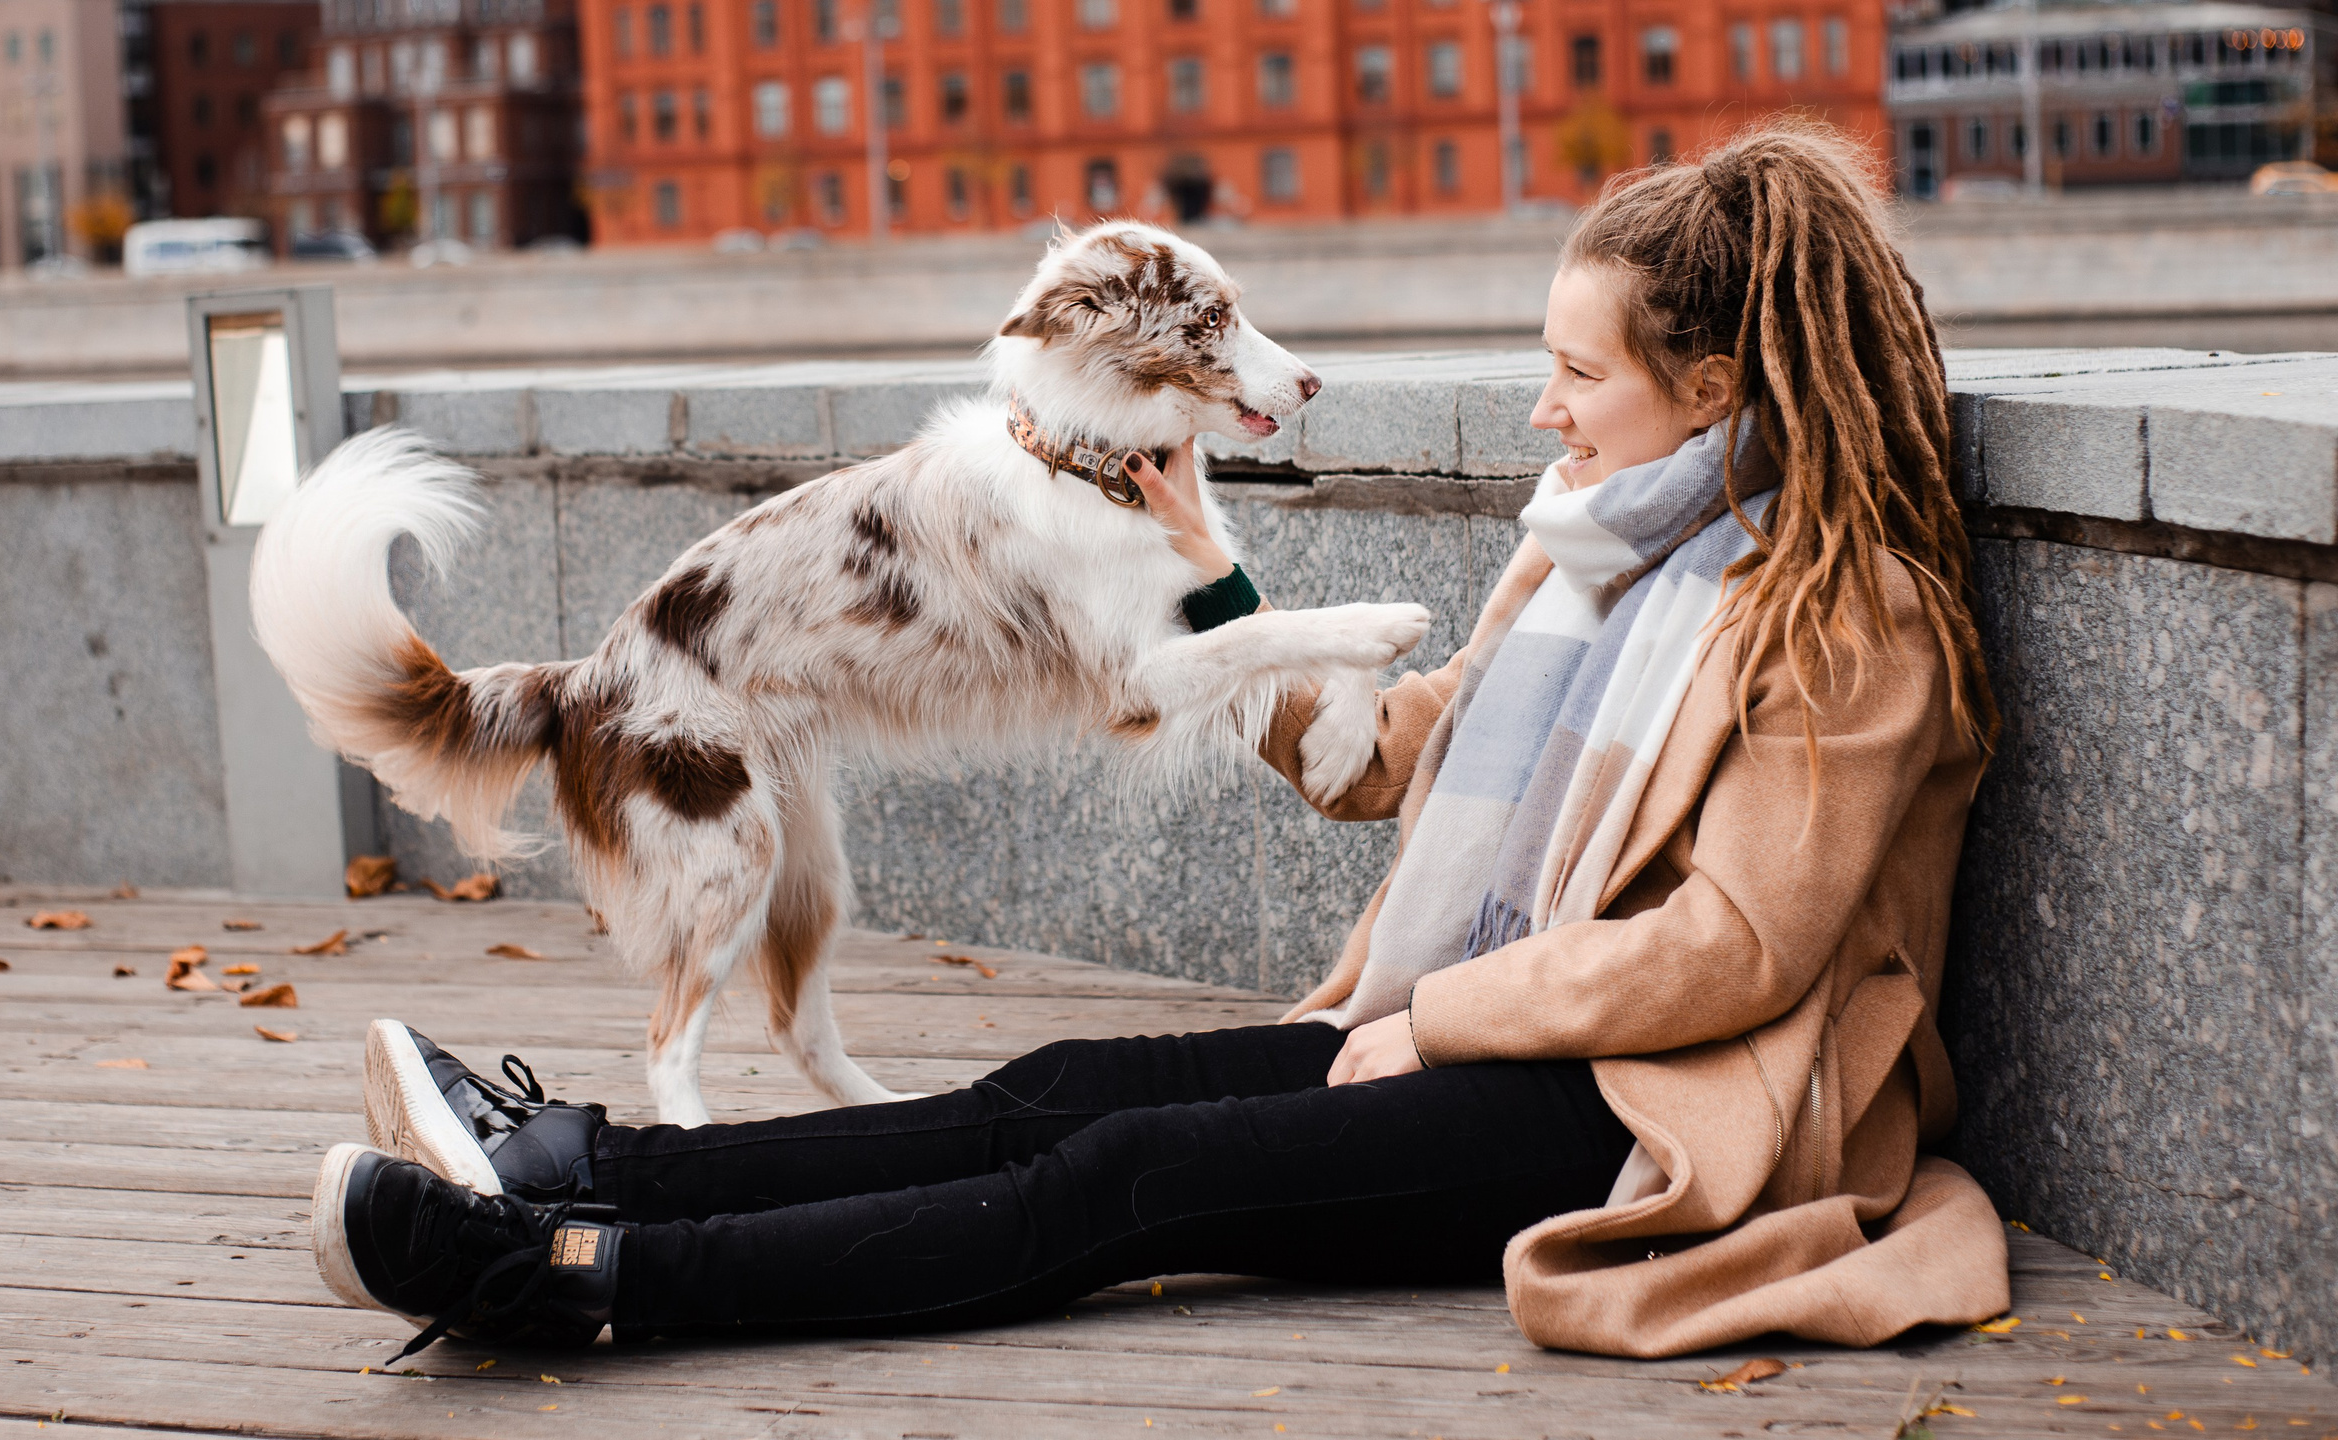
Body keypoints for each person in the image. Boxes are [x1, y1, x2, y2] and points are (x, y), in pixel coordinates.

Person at [311, 122, 2013, 1364]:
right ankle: (586, 1161)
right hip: (1486, 1040)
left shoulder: (1839, 618)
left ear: (1710, 390)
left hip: (1652, 1110)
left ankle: (576, 1270)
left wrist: (1437, 1027)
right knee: (1060, 1088)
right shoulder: (1588, 556)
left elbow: (1736, 952)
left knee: (1124, 1178)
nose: (1546, 410)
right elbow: (1377, 766)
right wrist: (1207, 577)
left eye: (1578, 373)